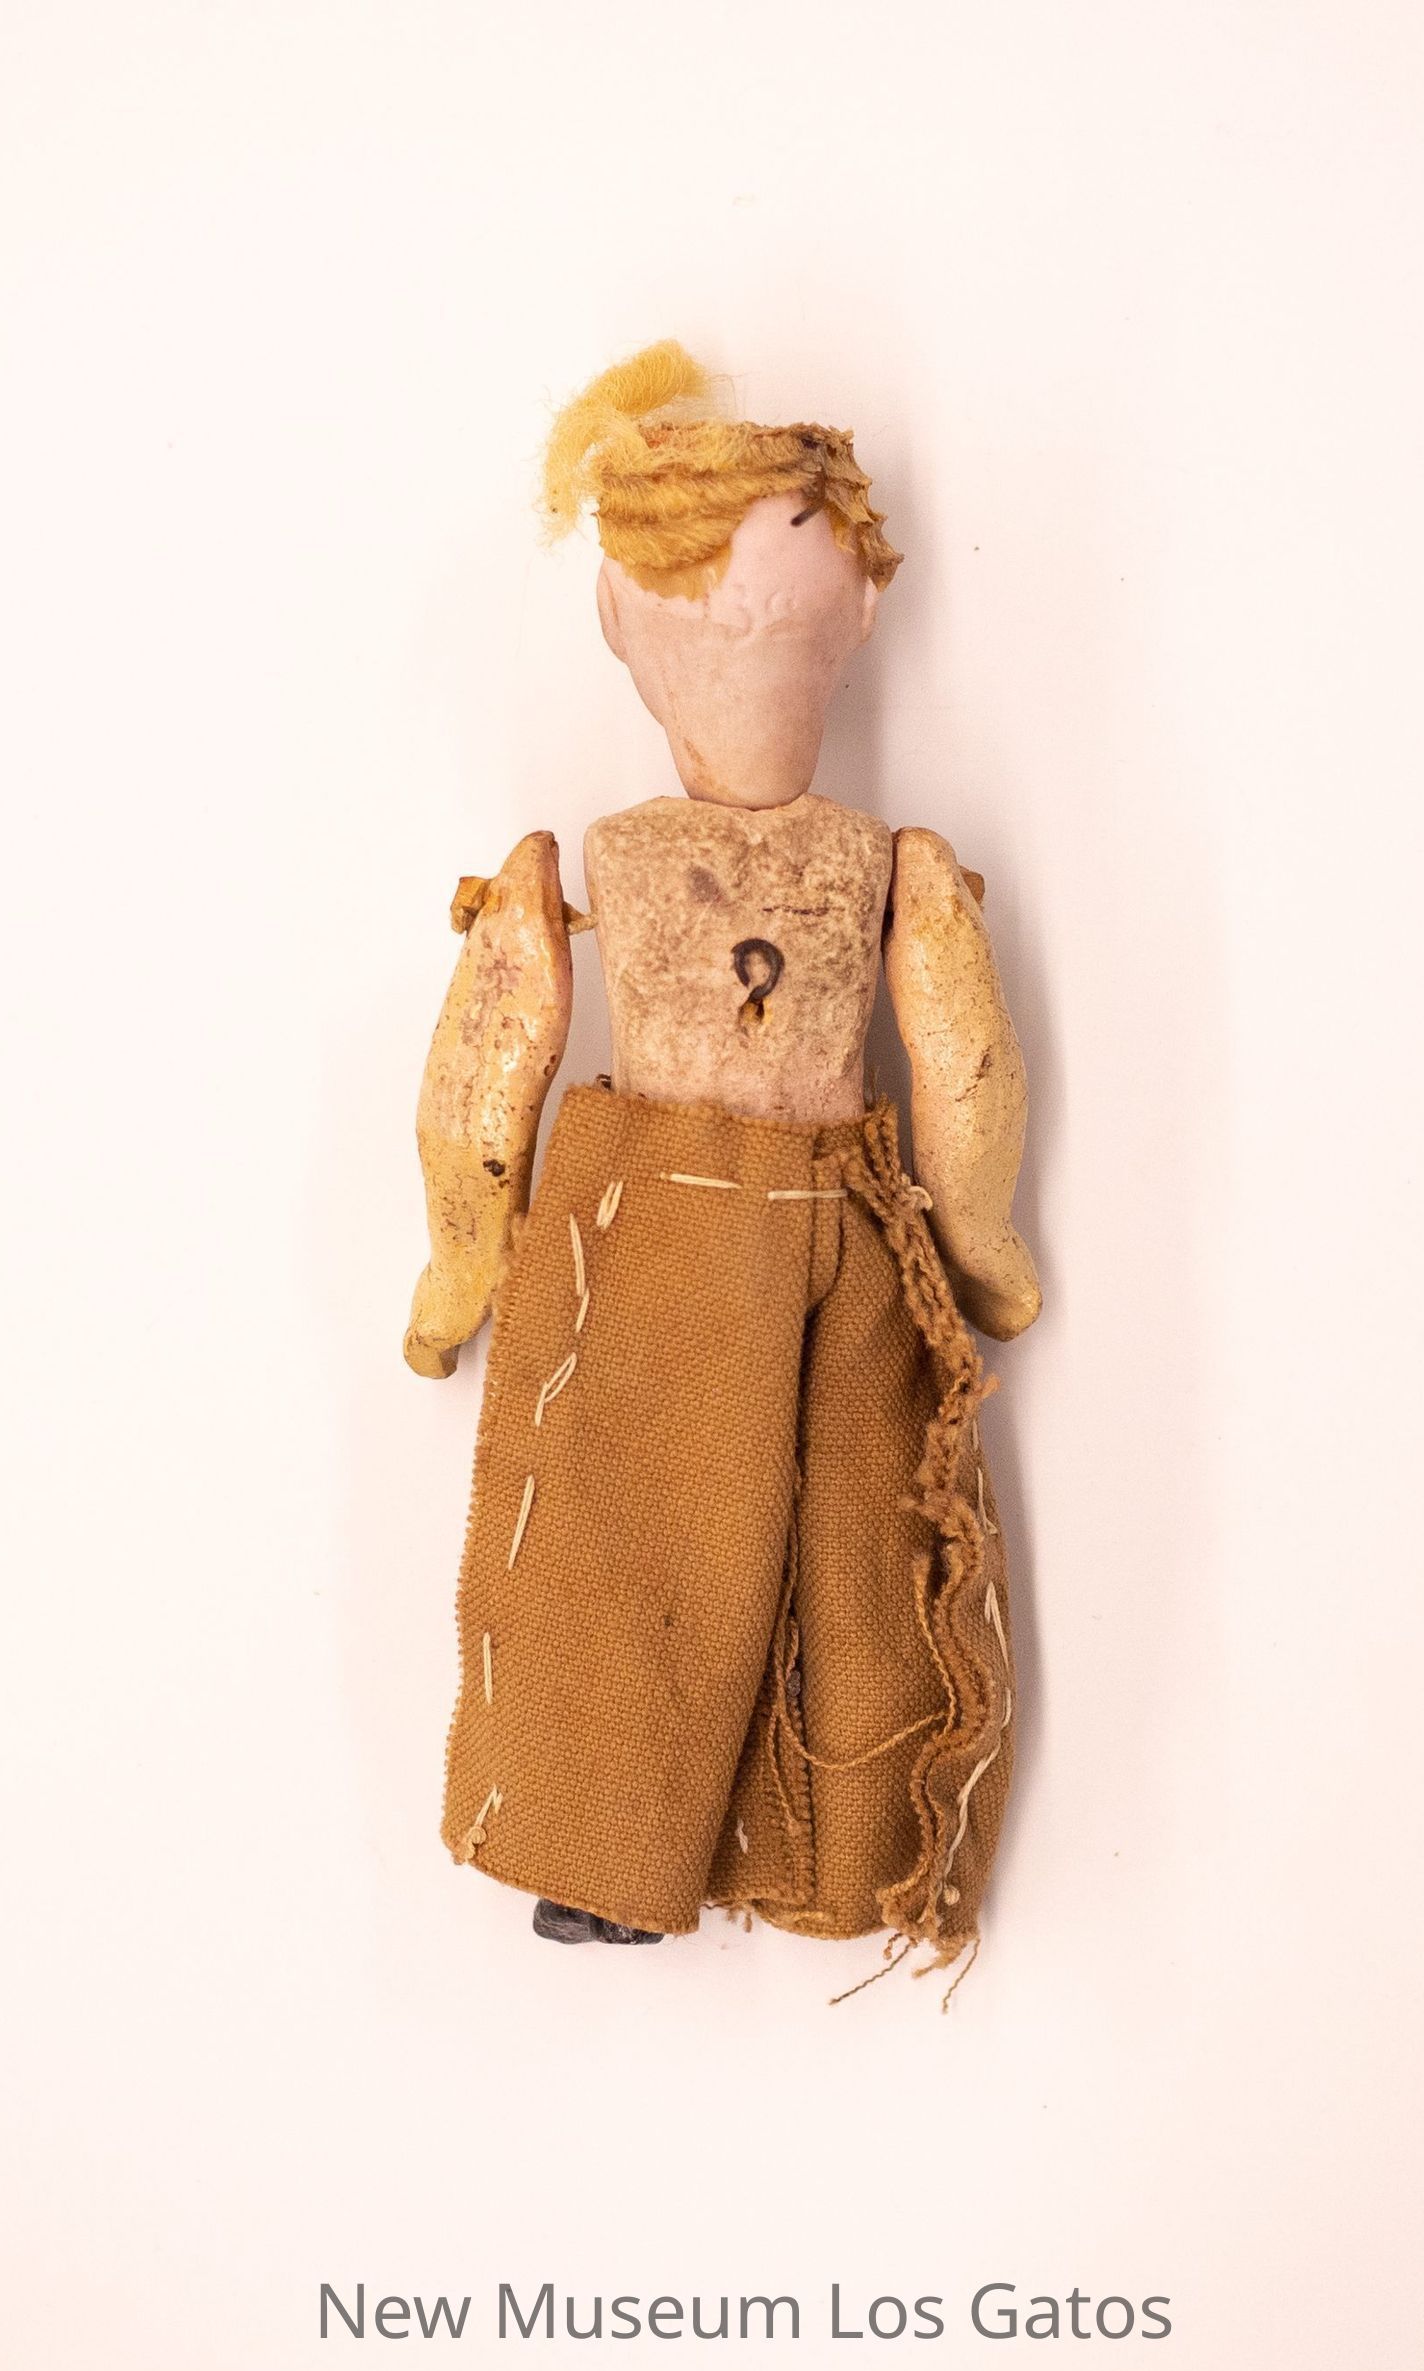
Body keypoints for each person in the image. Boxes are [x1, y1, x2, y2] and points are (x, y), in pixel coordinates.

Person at [403, 343, 1038, 1982]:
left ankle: (776, 1854)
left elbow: (493, 1056)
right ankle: (705, 1848)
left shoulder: (748, 863)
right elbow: (961, 1069)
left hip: (699, 1219)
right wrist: (980, 1242)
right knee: (725, 1533)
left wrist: (464, 1251)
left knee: (780, 1530)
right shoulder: (851, 865)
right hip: (756, 1216)